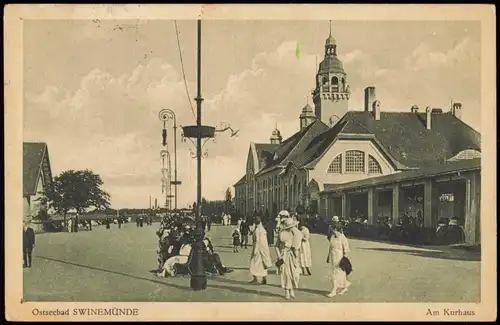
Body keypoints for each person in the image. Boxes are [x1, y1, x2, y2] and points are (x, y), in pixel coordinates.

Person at [276, 218, 302, 300]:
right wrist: (279, 255)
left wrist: (297, 257)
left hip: (291, 255)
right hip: (283, 255)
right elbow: (276, 246)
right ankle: (287, 291)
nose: (292, 228)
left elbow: (295, 247)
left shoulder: (294, 234)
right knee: (286, 273)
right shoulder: (282, 234)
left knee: (293, 273)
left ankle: (291, 289)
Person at [326, 222, 351, 298]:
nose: (333, 231)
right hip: (333, 256)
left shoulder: (343, 238)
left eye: (334, 230)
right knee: (334, 272)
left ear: (337, 229)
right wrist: (328, 257)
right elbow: (330, 247)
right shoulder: (332, 237)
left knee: (339, 273)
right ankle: (343, 287)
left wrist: (344, 260)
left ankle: (334, 290)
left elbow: (346, 250)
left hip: (340, 257)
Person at [249, 217, 272, 284]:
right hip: (264, 249)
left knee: (253, 263)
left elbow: (257, 241)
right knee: (263, 264)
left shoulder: (257, 230)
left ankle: (255, 278)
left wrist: (255, 251)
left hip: (258, 249)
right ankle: (264, 278)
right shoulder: (263, 229)